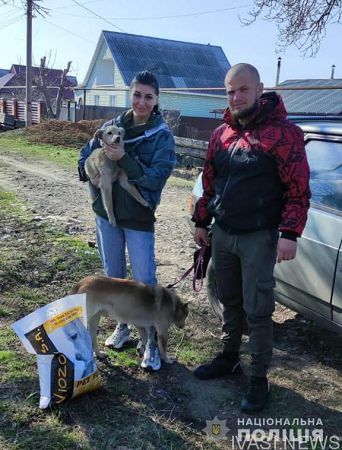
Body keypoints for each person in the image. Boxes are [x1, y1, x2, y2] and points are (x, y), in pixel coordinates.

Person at [191, 63, 310, 412]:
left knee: (258, 310)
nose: (236, 97)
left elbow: (298, 190)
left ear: (260, 89)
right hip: (223, 233)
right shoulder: (221, 134)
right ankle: (229, 357)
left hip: (259, 237)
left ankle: (259, 379)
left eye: (243, 89)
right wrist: (201, 221)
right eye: (230, 91)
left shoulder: (285, 134)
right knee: (230, 301)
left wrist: (289, 233)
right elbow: (209, 180)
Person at [78, 71, 176, 371]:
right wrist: (88, 168)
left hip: (138, 217)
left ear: (156, 99)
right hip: (106, 215)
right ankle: (123, 328)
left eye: (148, 96)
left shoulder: (162, 136)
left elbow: (155, 179)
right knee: (114, 277)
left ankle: (151, 344)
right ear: (129, 94)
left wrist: (124, 158)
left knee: (144, 282)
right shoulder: (113, 126)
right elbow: (84, 157)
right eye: (137, 95)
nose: (142, 101)